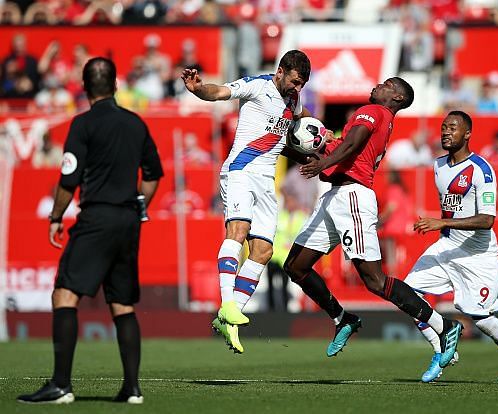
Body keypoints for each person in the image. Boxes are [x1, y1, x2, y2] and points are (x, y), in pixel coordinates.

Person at [283, 77, 463, 369]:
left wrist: (324, 163)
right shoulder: (376, 119)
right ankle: (344, 318)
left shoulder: (374, 112)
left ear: (397, 98)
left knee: (375, 281)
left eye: (387, 84)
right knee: (295, 266)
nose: (379, 85)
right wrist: (281, 145)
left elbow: (350, 145)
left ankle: (443, 325)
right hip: (336, 196)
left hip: (353, 195)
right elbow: (330, 152)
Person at [17, 57, 164, 404]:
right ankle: (132, 389)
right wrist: (140, 205)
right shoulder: (135, 123)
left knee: (65, 294)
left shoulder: (82, 125)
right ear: (115, 86)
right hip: (128, 220)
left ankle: (61, 385)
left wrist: (55, 216)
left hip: (96, 217)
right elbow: (154, 175)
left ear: (84, 88)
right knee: (122, 304)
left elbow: (69, 179)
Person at [181, 50, 315, 354]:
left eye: (302, 84)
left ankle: (228, 320)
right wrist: (198, 88)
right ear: (280, 72)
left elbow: (294, 128)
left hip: (267, 181)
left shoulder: (293, 102)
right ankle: (228, 302)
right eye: (294, 81)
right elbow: (219, 92)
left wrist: (319, 138)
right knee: (237, 232)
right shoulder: (258, 85)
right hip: (241, 170)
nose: (297, 88)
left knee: (264, 251)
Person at [403, 111, 498, 384]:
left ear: (468, 134)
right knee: (406, 295)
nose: (446, 132)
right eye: (443, 128)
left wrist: (440, 222)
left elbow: (487, 220)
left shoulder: (482, 170)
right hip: (447, 247)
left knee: (482, 319)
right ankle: (442, 349)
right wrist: (443, 226)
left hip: (478, 255)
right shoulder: (438, 165)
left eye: (453, 128)